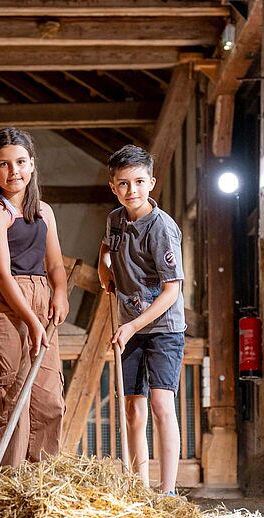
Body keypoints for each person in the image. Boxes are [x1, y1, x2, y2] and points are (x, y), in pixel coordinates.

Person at [97, 144, 186, 496]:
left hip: (163, 327)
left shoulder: (162, 229)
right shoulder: (114, 219)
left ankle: (168, 491)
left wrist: (133, 325)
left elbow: (171, 291)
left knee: (161, 404)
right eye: (123, 183)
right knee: (133, 409)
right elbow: (106, 248)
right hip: (128, 325)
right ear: (113, 187)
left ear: (151, 182)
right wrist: (105, 271)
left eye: (138, 182)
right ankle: (140, 489)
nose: (131, 190)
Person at [0, 127, 69, 467]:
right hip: (7, 302)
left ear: (32, 164)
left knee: (48, 398)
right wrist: (31, 321)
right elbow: (2, 273)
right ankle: (6, 482)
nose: (13, 171)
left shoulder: (44, 211)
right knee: (12, 395)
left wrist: (60, 293)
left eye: (20, 162)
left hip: (42, 295)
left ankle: (41, 480)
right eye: (4, 164)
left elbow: (55, 263)